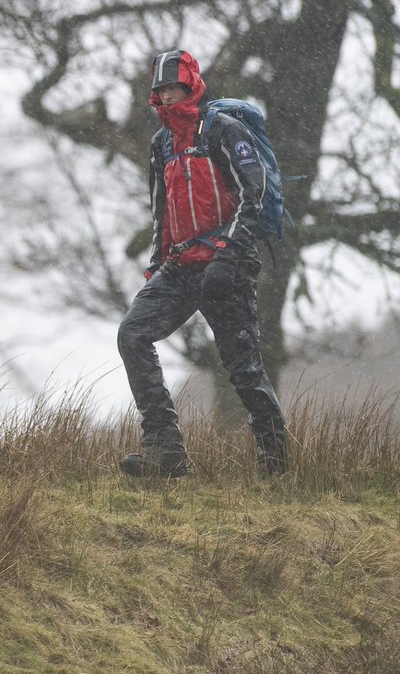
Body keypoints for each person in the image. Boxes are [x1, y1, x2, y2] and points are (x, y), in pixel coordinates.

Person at [116, 49, 288, 478]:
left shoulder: (224, 131)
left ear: (191, 85)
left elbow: (256, 195)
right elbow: (161, 214)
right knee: (133, 334)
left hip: (228, 266)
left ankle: (277, 466)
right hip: (180, 268)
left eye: (172, 87)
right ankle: (165, 452)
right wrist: (157, 266)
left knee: (243, 367)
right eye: (159, 90)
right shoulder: (161, 144)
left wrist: (228, 254)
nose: (166, 95)